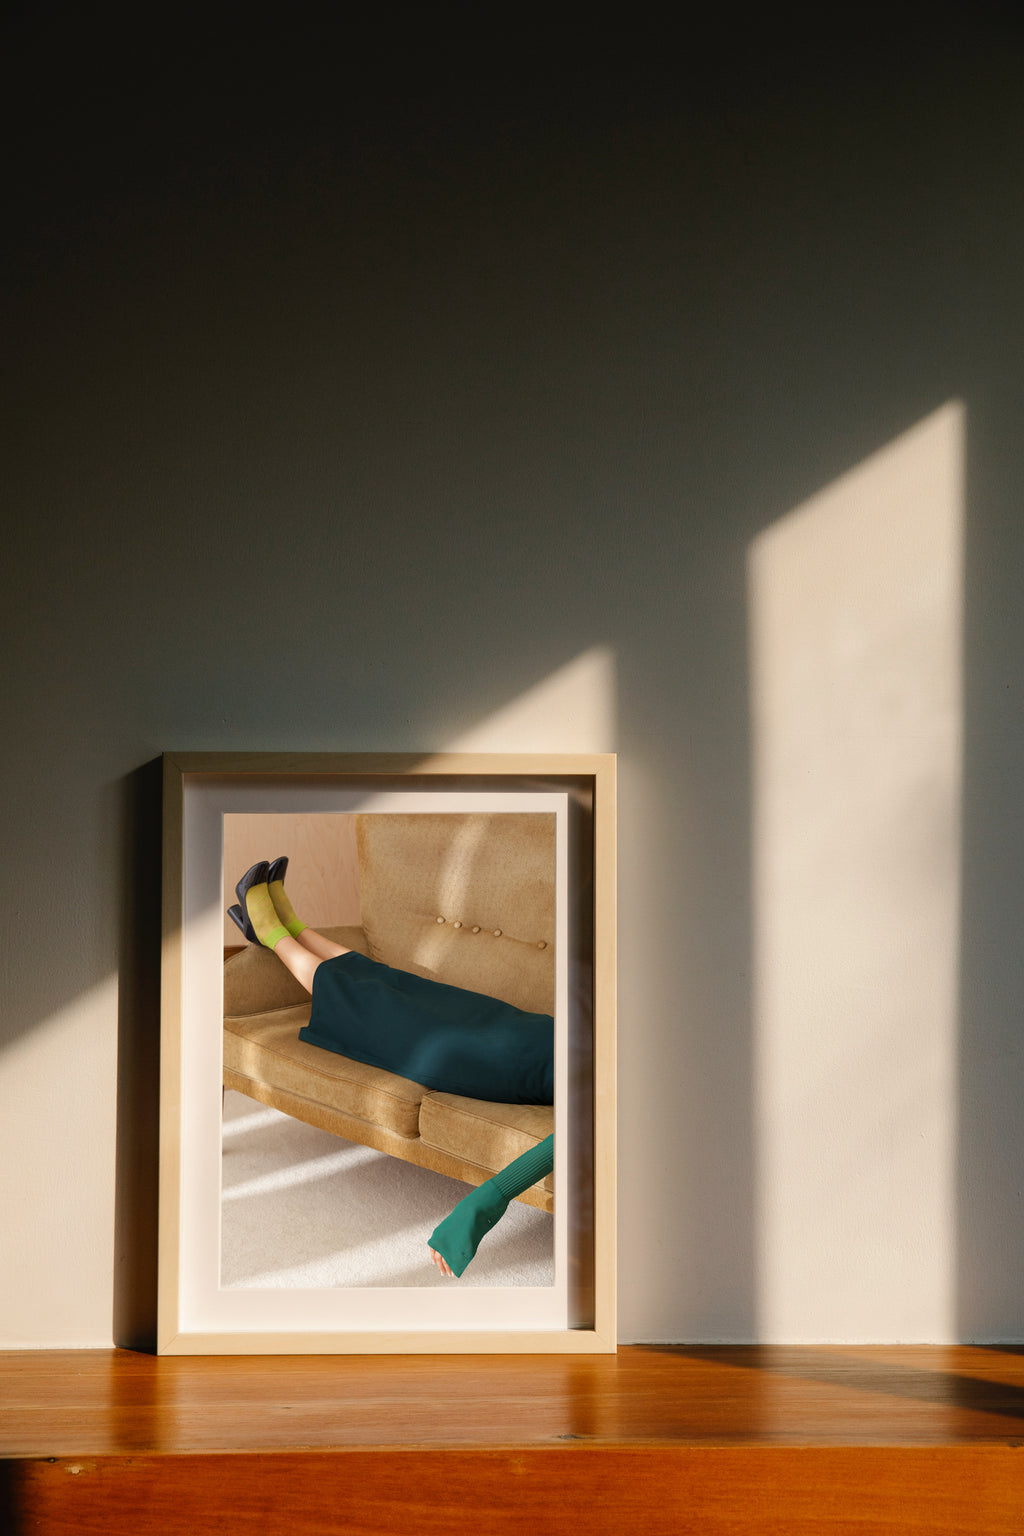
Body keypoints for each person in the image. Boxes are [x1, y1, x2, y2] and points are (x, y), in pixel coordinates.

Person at [229, 857, 555, 1276]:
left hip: (484, 1060)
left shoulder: (624, 1091)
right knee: (398, 984)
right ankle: (293, 925)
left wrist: (479, 1207)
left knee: (372, 1006)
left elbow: (565, 1141)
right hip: (505, 1022)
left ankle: (272, 934)